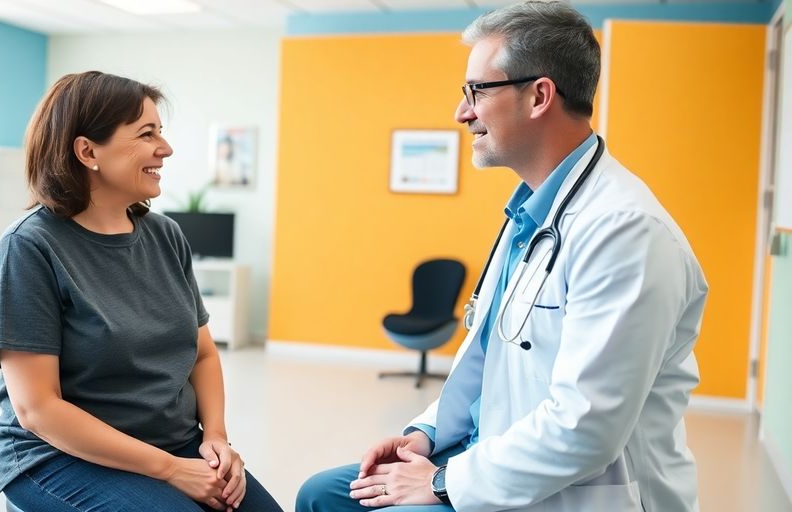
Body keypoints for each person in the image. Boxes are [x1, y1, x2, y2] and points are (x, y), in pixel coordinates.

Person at [296, 2, 707, 511]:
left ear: (539, 96)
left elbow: (586, 428)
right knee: (320, 494)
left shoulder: (625, 232)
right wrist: (424, 435)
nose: (462, 112)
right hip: (491, 458)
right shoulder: (533, 213)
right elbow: (489, 355)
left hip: (576, 493)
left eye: (476, 91)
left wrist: (441, 482)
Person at [0, 71, 283, 512]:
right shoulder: (29, 247)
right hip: (58, 457)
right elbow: (38, 409)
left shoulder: (166, 235)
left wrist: (216, 439)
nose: (166, 148)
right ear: (87, 151)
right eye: (147, 134)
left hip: (172, 442)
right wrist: (169, 469)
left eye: (160, 132)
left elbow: (202, 353)